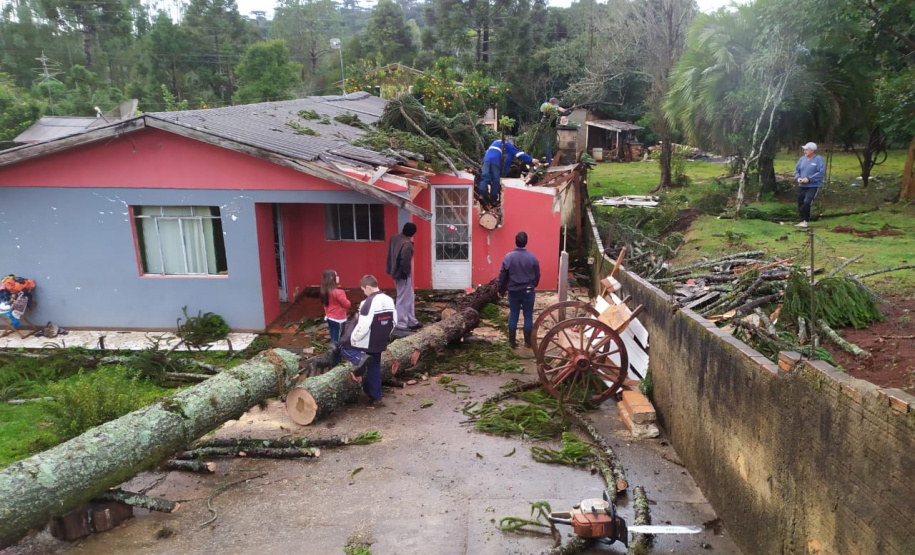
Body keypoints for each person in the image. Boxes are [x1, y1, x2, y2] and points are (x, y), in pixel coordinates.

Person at [339, 274, 397, 404]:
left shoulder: (367, 302)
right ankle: (376, 397)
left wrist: (354, 339)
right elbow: (394, 321)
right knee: (375, 365)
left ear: (368, 287)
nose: (364, 292)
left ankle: (361, 358)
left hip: (367, 340)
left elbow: (363, 325)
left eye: (363, 289)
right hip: (381, 339)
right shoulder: (389, 299)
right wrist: (385, 334)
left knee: (343, 347)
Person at [497, 231, 541, 349]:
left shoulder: (509, 257)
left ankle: (512, 342)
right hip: (528, 291)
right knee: (528, 316)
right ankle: (528, 343)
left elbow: (502, 275)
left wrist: (500, 289)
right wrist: (533, 285)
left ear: (515, 242)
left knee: (514, 315)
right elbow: (537, 275)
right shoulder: (533, 258)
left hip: (513, 292)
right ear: (526, 242)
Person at [477, 137, 537, 207]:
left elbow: (489, 153)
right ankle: (493, 200)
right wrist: (531, 159)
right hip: (495, 162)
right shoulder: (507, 144)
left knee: (485, 177)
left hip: (486, 160)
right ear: (511, 142)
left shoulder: (495, 142)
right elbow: (518, 154)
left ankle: (482, 194)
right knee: (496, 180)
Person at [386, 222, 422, 331]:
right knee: (402, 298)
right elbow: (405, 261)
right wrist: (406, 274)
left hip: (394, 271)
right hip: (402, 274)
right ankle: (401, 323)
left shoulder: (395, 238)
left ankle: (412, 321)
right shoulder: (407, 244)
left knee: (410, 296)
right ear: (413, 233)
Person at [320, 269, 350, 365]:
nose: (338, 277)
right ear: (332, 278)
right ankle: (336, 362)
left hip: (330, 318)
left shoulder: (324, 291)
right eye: (336, 275)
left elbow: (325, 305)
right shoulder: (338, 292)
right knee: (338, 341)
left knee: (333, 338)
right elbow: (347, 304)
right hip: (339, 320)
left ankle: (333, 359)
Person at [793, 142, 825, 228]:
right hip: (801, 185)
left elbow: (821, 173)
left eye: (806, 149)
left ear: (812, 150)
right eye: (804, 149)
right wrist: (798, 178)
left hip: (813, 186)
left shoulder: (819, 159)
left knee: (807, 202)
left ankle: (805, 221)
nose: (804, 151)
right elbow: (796, 170)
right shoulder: (802, 159)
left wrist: (809, 179)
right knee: (800, 202)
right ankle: (802, 219)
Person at [539, 98, 572, 166]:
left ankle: (552, 161)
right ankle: (549, 164)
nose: (554, 105)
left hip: (551, 129)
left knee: (551, 146)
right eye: (553, 104)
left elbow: (564, 113)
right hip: (544, 128)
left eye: (555, 104)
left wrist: (571, 109)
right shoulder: (544, 106)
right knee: (547, 145)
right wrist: (558, 107)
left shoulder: (554, 108)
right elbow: (549, 107)